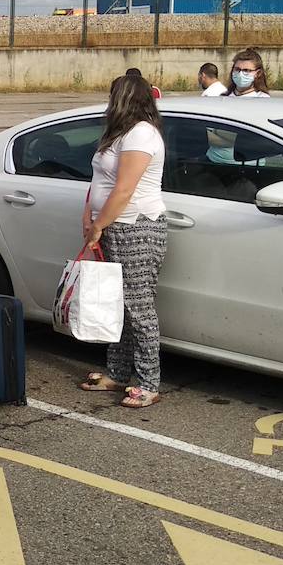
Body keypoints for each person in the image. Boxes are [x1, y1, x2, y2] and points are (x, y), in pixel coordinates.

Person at [78, 73, 168, 408]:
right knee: (119, 305)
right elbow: (99, 179)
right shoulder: (119, 134)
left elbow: (125, 190)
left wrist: (99, 225)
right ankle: (117, 373)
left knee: (139, 307)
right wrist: (89, 214)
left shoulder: (142, 134)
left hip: (137, 228)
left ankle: (149, 381)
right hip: (114, 226)